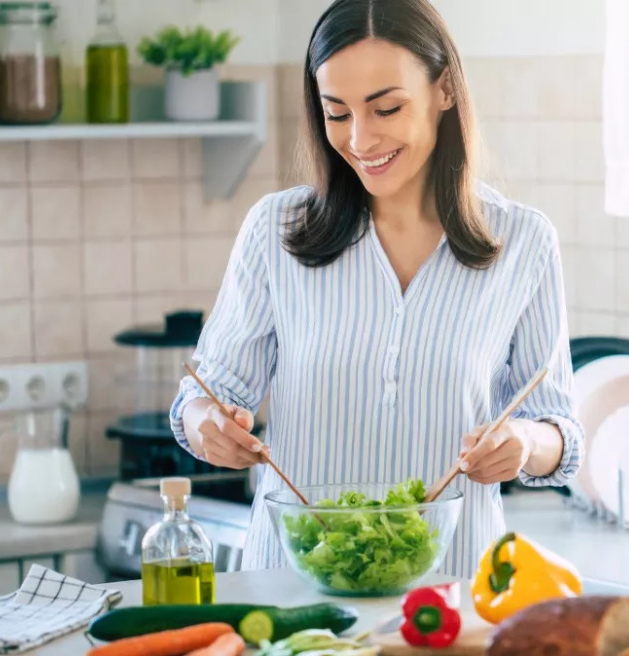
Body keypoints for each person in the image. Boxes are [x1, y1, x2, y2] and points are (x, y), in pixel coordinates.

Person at [169, 0, 584, 578]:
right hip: (295, 591)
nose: (361, 139)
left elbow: (560, 431)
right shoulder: (276, 230)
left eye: (386, 108)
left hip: (449, 599)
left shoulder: (524, 242)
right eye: (336, 114)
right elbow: (205, 394)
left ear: (445, 90)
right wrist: (207, 426)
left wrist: (523, 441)